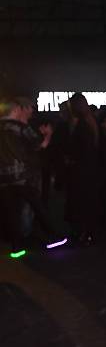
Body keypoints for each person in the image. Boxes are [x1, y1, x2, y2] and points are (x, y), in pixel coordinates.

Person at [0, 97, 62, 251]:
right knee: (38, 206)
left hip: (3, 178)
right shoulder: (21, 127)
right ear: (15, 110)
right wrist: (48, 134)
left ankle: (17, 248)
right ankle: (55, 237)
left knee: (12, 212)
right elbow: (40, 146)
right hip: (22, 176)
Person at [65, 93, 99, 245]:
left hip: (81, 171)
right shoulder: (90, 123)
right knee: (88, 202)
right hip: (89, 170)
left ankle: (84, 234)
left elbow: (80, 150)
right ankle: (88, 233)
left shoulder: (81, 125)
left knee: (80, 203)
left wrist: (71, 159)